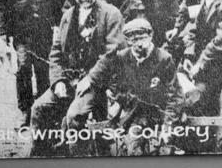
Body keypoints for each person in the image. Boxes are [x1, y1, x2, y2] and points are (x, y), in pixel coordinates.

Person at [28, 0, 124, 156]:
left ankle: (78, 159)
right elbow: (56, 53)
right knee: (39, 108)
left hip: (98, 83)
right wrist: (58, 82)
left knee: (74, 116)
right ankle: (40, 156)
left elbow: (113, 52)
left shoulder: (111, 14)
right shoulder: (67, 16)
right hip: (70, 79)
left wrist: (90, 78)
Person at [78, 18, 183, 156]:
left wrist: (168, 127)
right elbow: (105, 68)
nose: (139, 44)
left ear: (150, 36)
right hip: (131, 115)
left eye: (142, 38)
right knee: (127, 149)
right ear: (128, 41)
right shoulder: (122, 57)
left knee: (147, 150)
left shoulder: (164, 59)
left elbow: (174, 96)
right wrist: (91, 79)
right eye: (133, 40)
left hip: (157, 114)